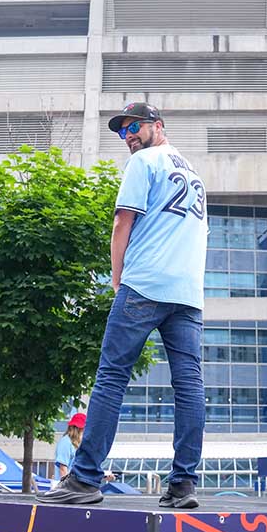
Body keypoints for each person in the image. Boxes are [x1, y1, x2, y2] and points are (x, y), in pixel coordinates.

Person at [38, 102, 208, 508]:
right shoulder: (196, 177)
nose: (129, 134)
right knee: (189, 387)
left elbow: (121, 223)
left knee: (111, 377)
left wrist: (117, 280)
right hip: (188, 295)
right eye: (122, 130)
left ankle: (84, 478)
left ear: (158, 126)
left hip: (144, 284)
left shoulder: (145, 163)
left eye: (135, 126)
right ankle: (183, 484)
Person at [54, 413, 86, 479]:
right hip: (68, 487)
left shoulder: (77, 443)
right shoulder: (66, 442)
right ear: (80, 429)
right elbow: (63, 469)